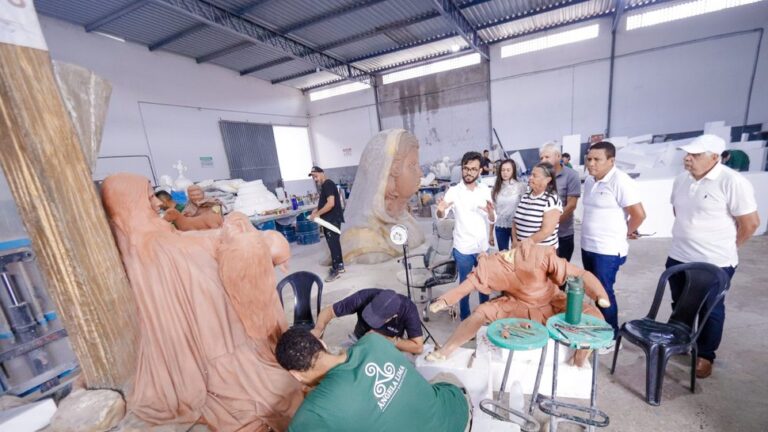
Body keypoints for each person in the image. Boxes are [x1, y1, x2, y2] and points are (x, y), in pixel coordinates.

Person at [100, 173, 302, 431]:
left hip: (214, 341)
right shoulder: (155, 247)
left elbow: (195, 237)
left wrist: (235, 231)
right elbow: (195, 246)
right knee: (272, 388)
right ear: (130, 203)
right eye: (149, 197)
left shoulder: (152, 240)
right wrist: (248, 242)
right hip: (216, 349)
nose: (158, 203)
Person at [427, 245, 610, 367]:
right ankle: (446, 349)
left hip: (551, 300)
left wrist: (599, 294)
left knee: (592, 314)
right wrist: (444, 300)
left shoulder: (539, 254)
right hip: (517, 304)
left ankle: (579, 359)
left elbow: (579, 274)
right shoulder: (491, 265)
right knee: (480, 313)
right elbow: (466, 287)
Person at [668, 134, 760, 378]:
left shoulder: (732, 182)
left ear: (715, 157)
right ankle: (683, 341)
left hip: (714, 262)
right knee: (680, 303)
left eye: (695, 155)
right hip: (679, 256)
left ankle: (706, 355)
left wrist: (729, 247)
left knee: (710, 308)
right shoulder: (681, 180)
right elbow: (677, 210)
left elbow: (750, 224)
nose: (688, 159)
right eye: (687, 154)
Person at [276, 329, 471, 432]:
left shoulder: (312, 413)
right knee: (445, 379)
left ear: (296, 375)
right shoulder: (373, 342)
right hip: (458, 417)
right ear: (322, 343)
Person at [581, 141, 646, 342]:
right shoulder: (591, 181)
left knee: (604, 292)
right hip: (588, 246)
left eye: (597, 159)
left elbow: (639, 215)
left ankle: (611, 334)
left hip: (607, 250)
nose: (591, 163)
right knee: (594, 290)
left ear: (611, 160)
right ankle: (599, 326)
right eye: (589, 159)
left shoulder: (621, 181)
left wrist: (625, 232)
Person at [340, 130, 424, 264]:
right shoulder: (363, 239)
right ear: (387, 174)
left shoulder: (409, 223)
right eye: (412, 165)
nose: (420, 173)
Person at [436, 151, 496, 320]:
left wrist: (491, 214)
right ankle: (465, 320)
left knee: (484, 285)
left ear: (480, 171)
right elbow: (442, 215)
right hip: (463, 248)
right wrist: (441, 211)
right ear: (462, 169)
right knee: (464, 287)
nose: (469, 172)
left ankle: (485, 316)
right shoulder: (454, 192)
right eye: (466, 168)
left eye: (473, 169)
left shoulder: (485, 190)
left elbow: (492, 218)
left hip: (482, 248)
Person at [310, 288, 424, 354]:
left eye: (378, 319)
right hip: (359, 340)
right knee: (336, 362)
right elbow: (328, 311)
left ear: (393, 316)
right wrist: (318, 329)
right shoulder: (364, 296)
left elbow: (418, 347)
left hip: (389, 346)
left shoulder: (408, 309)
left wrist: (386, 339)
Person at [539, 143, 581, 261]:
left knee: (560, 273)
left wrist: (551, 226)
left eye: (547, 157)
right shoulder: (539, 176)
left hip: (562, 235)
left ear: (558, 156)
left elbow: (571, 205)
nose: (543, 160)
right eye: (541, 158)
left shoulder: (571, 175)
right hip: (542, 236)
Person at [513, 162, 562, 250]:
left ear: (547, 180)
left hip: (541, 253)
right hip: (521, 250)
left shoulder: (551, 199)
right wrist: (514, 241)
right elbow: (515, 221)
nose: (530, 178)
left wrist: (523, 244)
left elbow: (546, 231)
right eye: (531, 174)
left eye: (535, 176)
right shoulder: (526, 195)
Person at [310, 166, 345, 282]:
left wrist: (317, 214)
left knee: (333, 244)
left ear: (322, 173)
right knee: (334, 243)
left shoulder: (327, 184)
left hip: (332, 220)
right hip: (330, 220)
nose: (315, 179)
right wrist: (317, 209)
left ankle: (336, 270)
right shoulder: (326, 186)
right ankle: (340, 267)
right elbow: (325, 202)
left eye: (316, 176)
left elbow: (330, 204)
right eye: (313, 177)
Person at [490, 159, 526, 251]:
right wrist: (490, 233)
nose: (505, 172)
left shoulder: (520, 187)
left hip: (517, 227)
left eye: (508, 170)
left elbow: (525, 208)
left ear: (513, 171)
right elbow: (492, 212)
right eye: (503, 170)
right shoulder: (495, 189)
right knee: (503, 255)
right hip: (500, 226)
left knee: (518, 254)